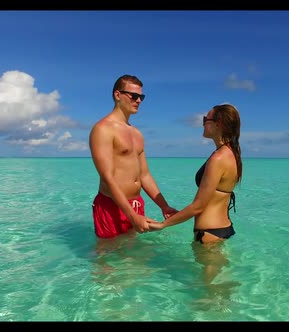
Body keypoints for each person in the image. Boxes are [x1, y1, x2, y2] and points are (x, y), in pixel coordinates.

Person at [89, 74, 178, 239]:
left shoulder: (136, 134)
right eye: (134, 96)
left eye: (141, 97)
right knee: (107, 257)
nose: (139, 101)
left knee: (132, 258)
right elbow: (108, 177)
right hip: (111, 205)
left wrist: (164, 206)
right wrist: (132, 215)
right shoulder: (103, 129)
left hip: (136, 204)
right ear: (117, 95)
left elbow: (144, 175)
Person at [149, 103, 242, 244]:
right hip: (223, 228)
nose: (203, 124)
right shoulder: (232, 153)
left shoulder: (218, 158)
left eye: (205, 120)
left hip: (209, 233)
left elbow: (198, 206)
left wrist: (162, 225)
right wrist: (178, 215)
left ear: (219, 124)